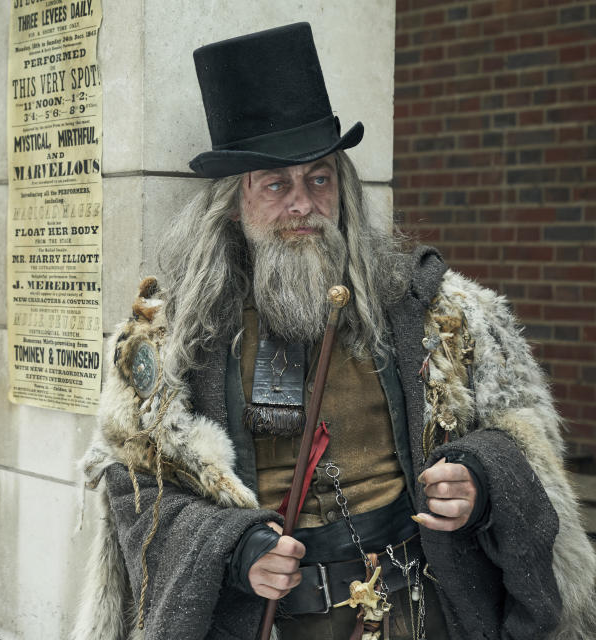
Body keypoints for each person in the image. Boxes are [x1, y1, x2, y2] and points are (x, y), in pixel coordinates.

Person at [73, 24, 595, 640]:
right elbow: (138, 495)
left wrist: (477, 481)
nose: (302, 204)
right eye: (276, 184)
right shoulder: (168, 342)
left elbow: (519, 446)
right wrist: (237, 552)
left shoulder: (437, 314)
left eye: (318, 179)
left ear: (342, 190)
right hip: (273, 620)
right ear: (234, 202)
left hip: (414, 613)